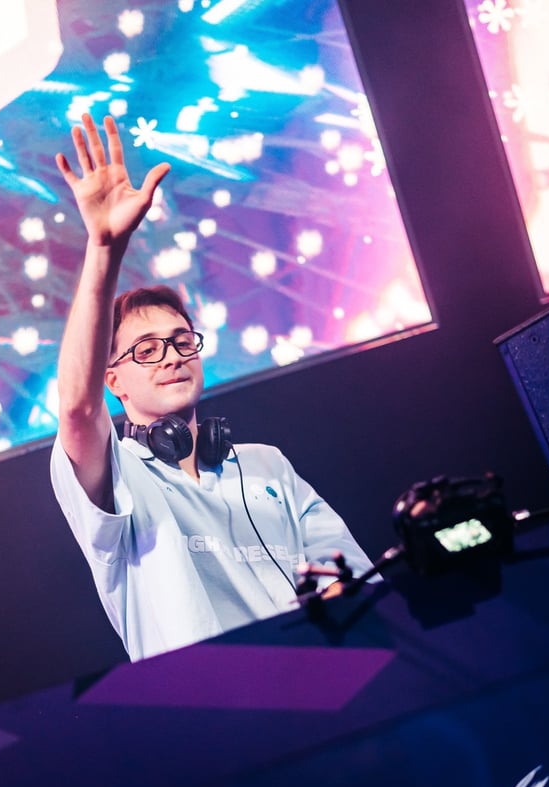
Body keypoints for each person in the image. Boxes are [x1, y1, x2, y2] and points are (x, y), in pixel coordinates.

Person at [50, 113, 377, 662]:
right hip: (210, 707)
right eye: (146, 350)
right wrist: (104, 247)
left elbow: (358, 582)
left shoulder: (268, 465)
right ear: (114, 381)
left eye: (182, 342)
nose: (170, 357)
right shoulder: (117, 475)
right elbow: (78, 411)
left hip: (327, 684)